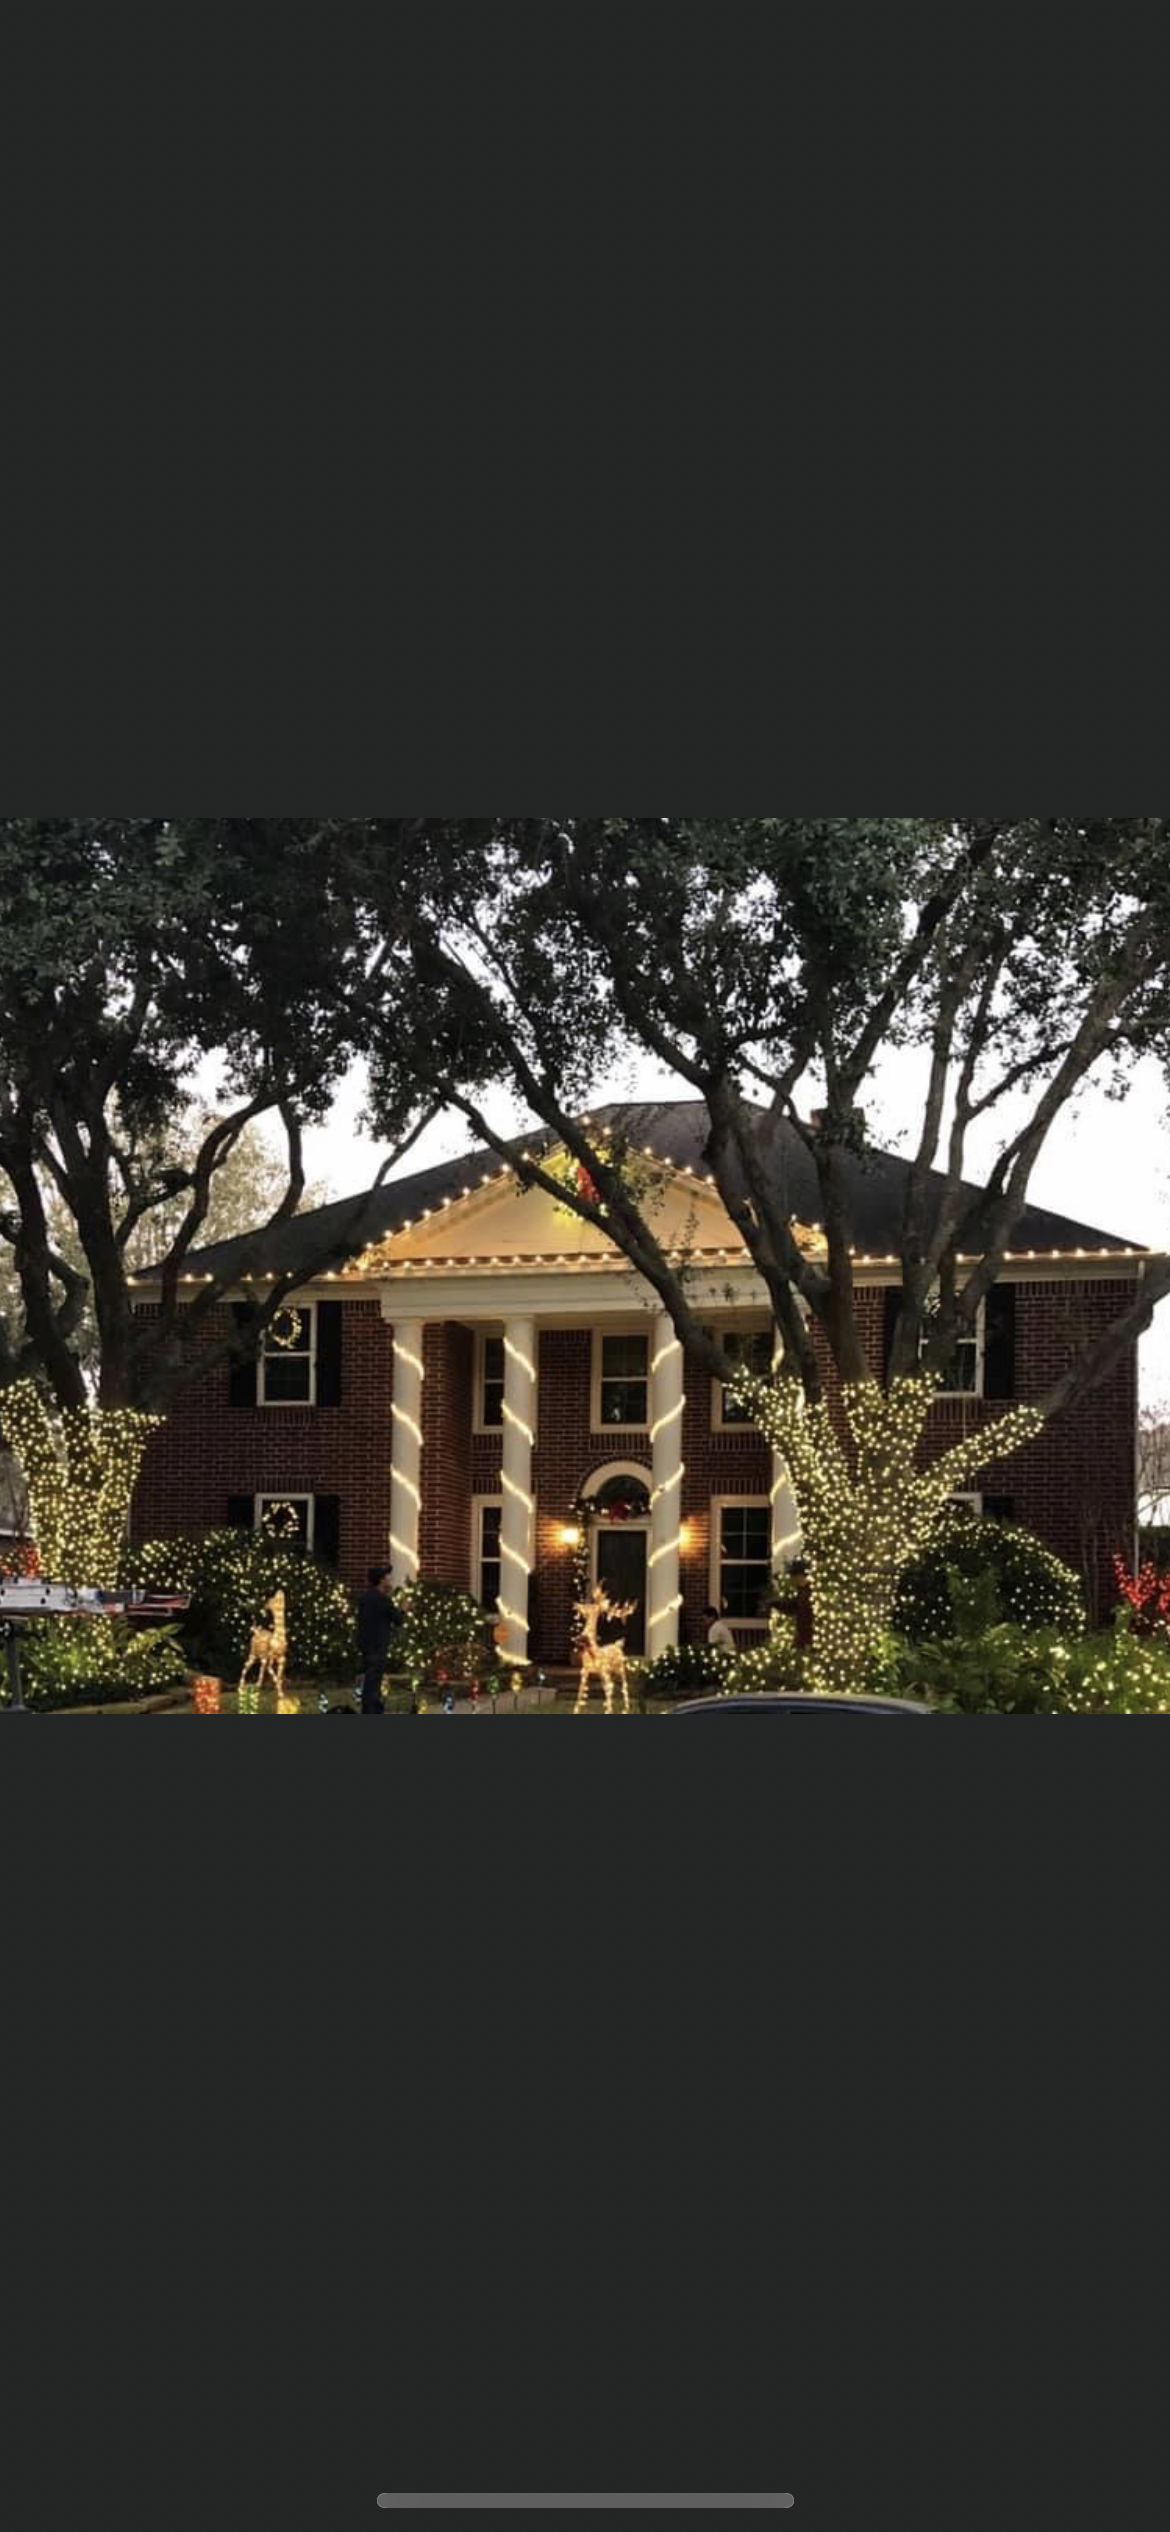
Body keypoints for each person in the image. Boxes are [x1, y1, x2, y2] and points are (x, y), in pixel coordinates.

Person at [356, 1565, 403, 1713]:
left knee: (371, 1682)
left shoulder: (364, 1598)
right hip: (378, 1647)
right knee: (373, 1683)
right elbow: (397, 1619)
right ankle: (370, 1711)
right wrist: (403, 1609)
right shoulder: (383, 1600)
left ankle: (374, 1709)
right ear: (381, 1580)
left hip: (366, 1646)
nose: (389, 1579)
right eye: (387, 1577)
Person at [776, 1560, 814, 1651]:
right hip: (801, 1633)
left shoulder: (810, 1592)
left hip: (808, 1635)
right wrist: (775, 1604)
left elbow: (805, 1614)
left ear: (799, 1576)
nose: (791, 1579)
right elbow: (791, 1608)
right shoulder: (801, 1591)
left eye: (793, 1576)